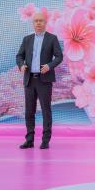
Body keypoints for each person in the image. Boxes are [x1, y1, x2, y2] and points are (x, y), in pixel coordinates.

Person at [15, 12, 63, 150]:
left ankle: (45, 140)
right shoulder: (27, 39)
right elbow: (19, 56)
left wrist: (49, 66)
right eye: (36, 21)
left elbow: (59, 57)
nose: (38, 23)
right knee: (29, 111)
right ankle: (29, 140)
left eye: (41, 20)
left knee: (46, 110)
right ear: (33, 23)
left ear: (45, 22)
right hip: (30, 80)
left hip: (44, 81)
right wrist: (21, 65)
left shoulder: (52, 38)